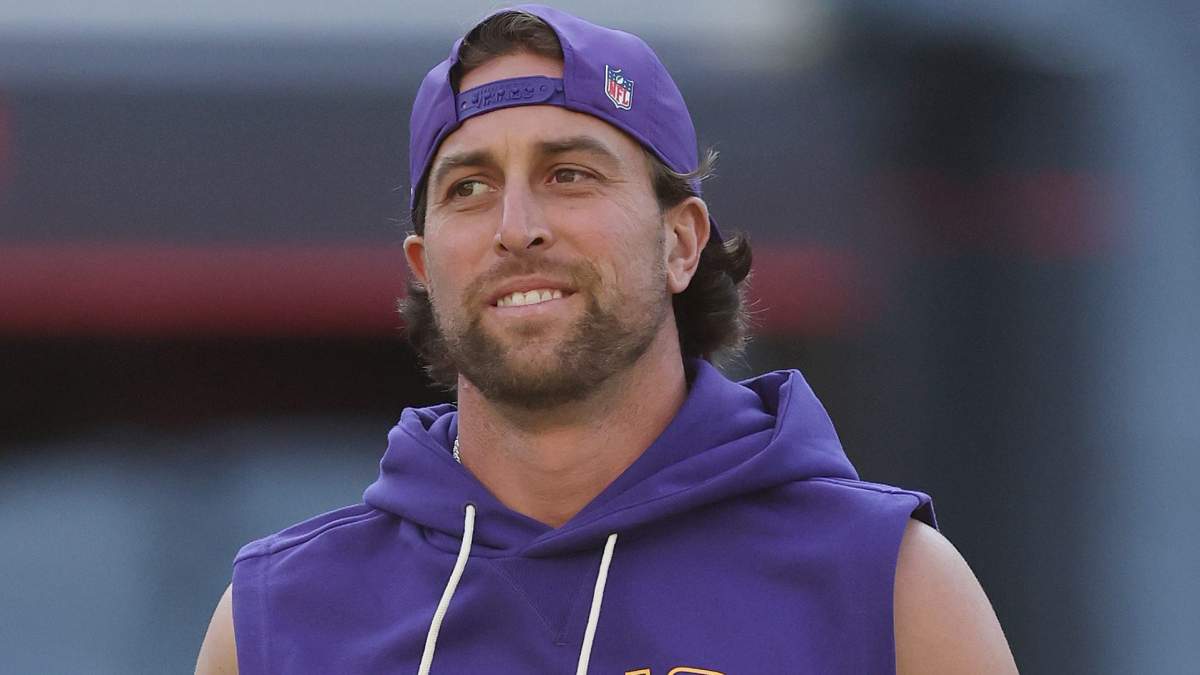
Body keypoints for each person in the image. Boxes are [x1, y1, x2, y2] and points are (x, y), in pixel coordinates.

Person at [196, 5, 1017, 674]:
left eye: (569, 174)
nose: (516, 227)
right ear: (423, 266)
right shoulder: (277, 622)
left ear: (681, 242)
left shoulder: (887, 586)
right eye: (470, 187)